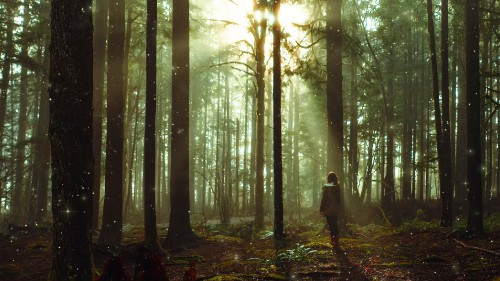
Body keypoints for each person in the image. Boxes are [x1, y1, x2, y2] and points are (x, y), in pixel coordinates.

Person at [320, 172, 341, 247]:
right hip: (335, 209)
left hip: (328, 209)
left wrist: (321, 209)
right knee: (334, 224)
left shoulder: (326, 187)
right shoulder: (338, 186)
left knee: (330, 225)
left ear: (328, 179)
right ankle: (336, 241)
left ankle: (333, 241)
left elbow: (324, 199)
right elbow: (339, 199)